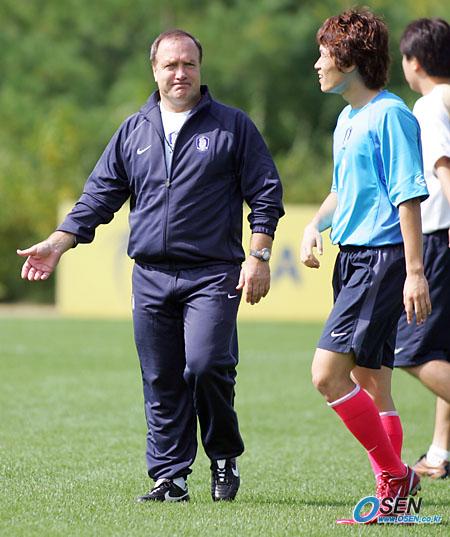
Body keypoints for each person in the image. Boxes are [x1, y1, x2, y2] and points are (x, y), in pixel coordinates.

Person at [17, 29, 284, 502]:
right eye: (170, 65)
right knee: (160, 378)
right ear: (155, 70)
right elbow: (98, 196)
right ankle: (170, 478)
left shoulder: (232, 126)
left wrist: (259, 256)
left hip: (212, 273)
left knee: (206, 366)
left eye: (189, 64)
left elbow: (265, 193)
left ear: (200, 68)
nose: (180, 73)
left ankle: (224, 455)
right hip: (151, 276)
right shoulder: (134, 130)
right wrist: (58, 243)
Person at [300, 9, 431, 525]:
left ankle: (396, 476)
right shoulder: (347, 119)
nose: (317, 64)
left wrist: (415, 271)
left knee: (326, 375)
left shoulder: (391, 114)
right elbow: (341, 191)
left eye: (324, 54)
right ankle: (394, 497)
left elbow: (408, 196)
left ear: (350, 59)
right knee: (372, 382)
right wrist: (315, 225)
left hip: (380, 259)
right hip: (352, 257)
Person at [395, 18, 450, 480]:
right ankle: (439, 453)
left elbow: (443, 167)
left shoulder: (430, 104)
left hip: (439, 236)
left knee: (410, 351)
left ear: (414, 62)